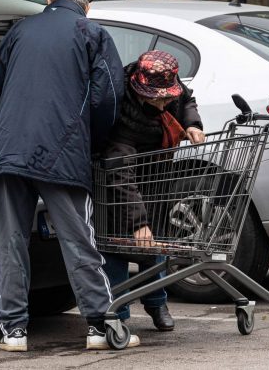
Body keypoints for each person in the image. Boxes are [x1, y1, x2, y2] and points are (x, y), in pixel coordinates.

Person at [0, 0, 126, 352]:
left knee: (9, 242)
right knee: (78, 240)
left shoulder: (19, 31)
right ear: (85, 5)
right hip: (63, 152)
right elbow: (110, 99)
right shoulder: (92, 33)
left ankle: (14, 332)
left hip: (9, 153)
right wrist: (95, 142)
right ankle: (100, 327)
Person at [99, 50, 205, 342]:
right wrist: (137, 222)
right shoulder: (118, 105)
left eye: (166, 97)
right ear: (138, 87)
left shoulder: (168, 83)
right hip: (118, 184)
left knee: (153, 243)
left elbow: (187, 99)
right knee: (117, 246)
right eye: (156, 98)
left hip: (156, 174)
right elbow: (122, 177)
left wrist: (193, 123)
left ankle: (158, 305)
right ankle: (117, 315)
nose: (162, 103)